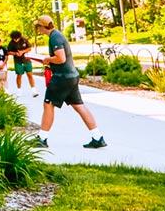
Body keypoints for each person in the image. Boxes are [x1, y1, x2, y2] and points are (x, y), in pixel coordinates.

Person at [27, 15, 106, 149]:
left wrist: (47, 59)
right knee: (79, 105)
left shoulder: (55, 38)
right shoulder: (57, 35)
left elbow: (61, 58)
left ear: (42, 27)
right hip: (71, 76)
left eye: (38, 27)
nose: (38, 29)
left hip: (61, 77)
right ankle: (97, 137)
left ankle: (42, 138)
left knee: (48, 104)